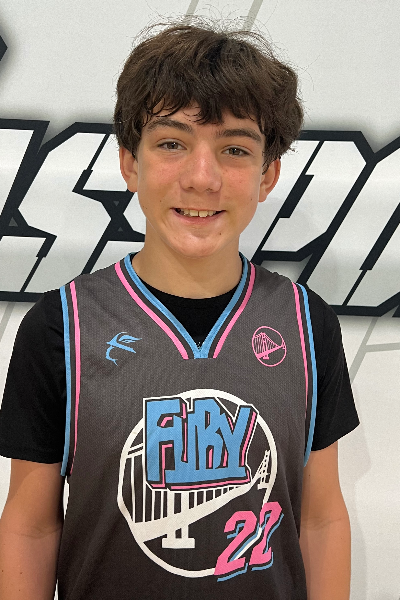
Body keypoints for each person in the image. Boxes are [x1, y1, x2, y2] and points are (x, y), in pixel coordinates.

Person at [0, 17, 359, 600]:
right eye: (172, 143)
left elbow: (320, 518)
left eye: (234, 149)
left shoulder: (306, 322)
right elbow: (31, 525)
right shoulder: (60, 326)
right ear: (129, 162)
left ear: (267, 175)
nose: (202, 178)